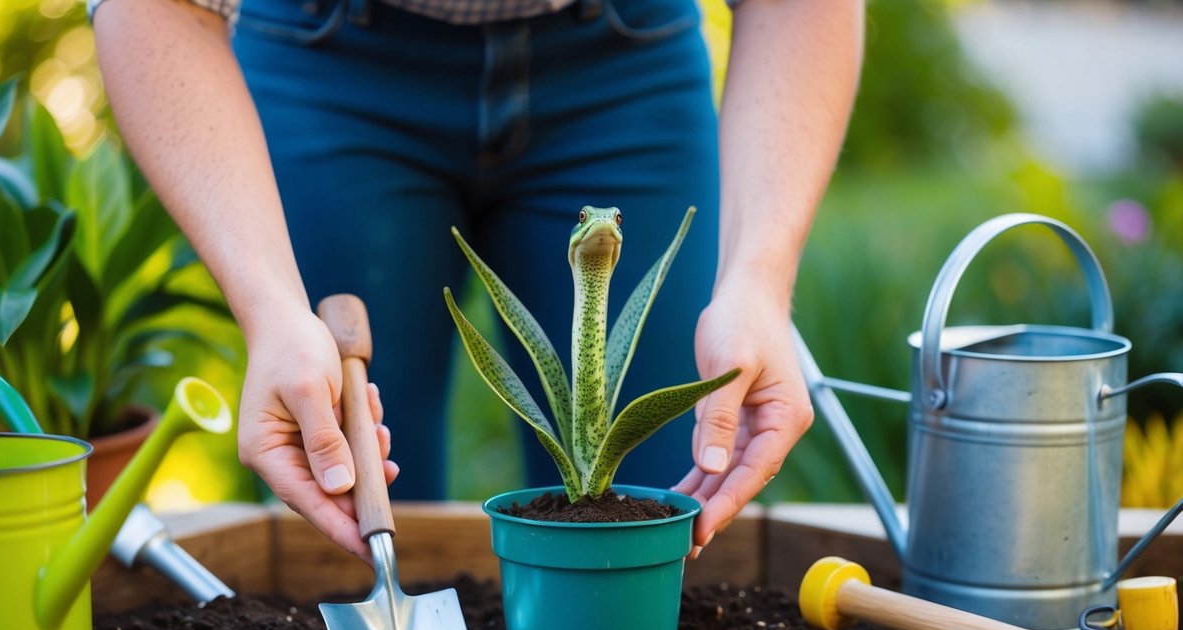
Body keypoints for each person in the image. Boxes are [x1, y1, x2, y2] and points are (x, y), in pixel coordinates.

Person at [90, 0, 863, 559]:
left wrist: (758, 279)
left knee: (666, 516)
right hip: (326, 58)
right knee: (349, 506)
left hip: (623, 62)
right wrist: (268, 308)